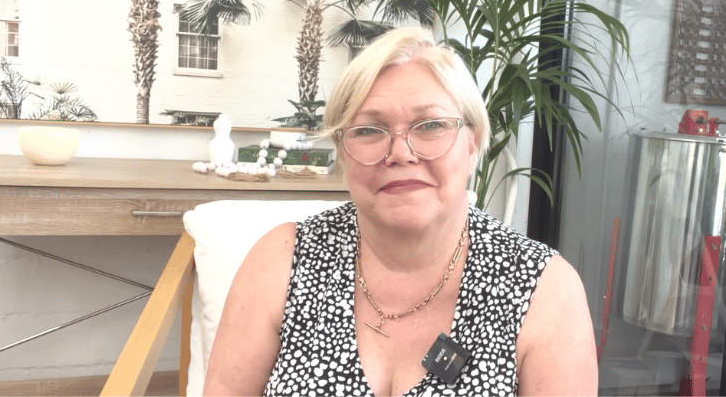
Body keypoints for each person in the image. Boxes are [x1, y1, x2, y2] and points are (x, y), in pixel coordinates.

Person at [203, 27, 597, 396]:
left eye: (430, 125)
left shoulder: (545, 290)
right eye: (368, 130)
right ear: (343, 152)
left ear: (472, 143)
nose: (400, 153)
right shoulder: (282, 261)